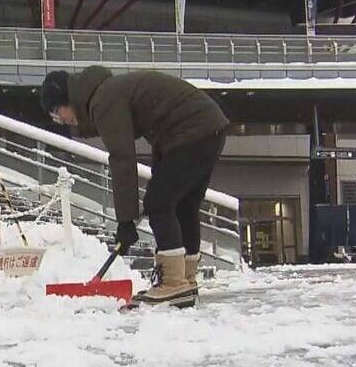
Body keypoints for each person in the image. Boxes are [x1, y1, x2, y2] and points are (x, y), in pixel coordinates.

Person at [40, 66, 229, 305]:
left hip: (193, 129)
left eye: (57, 112)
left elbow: (122, 159)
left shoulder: (103, 100)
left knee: (159, 203)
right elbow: (160, 125)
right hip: (207, 127)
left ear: (68, 99)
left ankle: (173, 283)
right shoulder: (110, 91)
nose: (62, 120)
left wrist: (125, 220)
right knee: (183, 205)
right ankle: (185, 280)